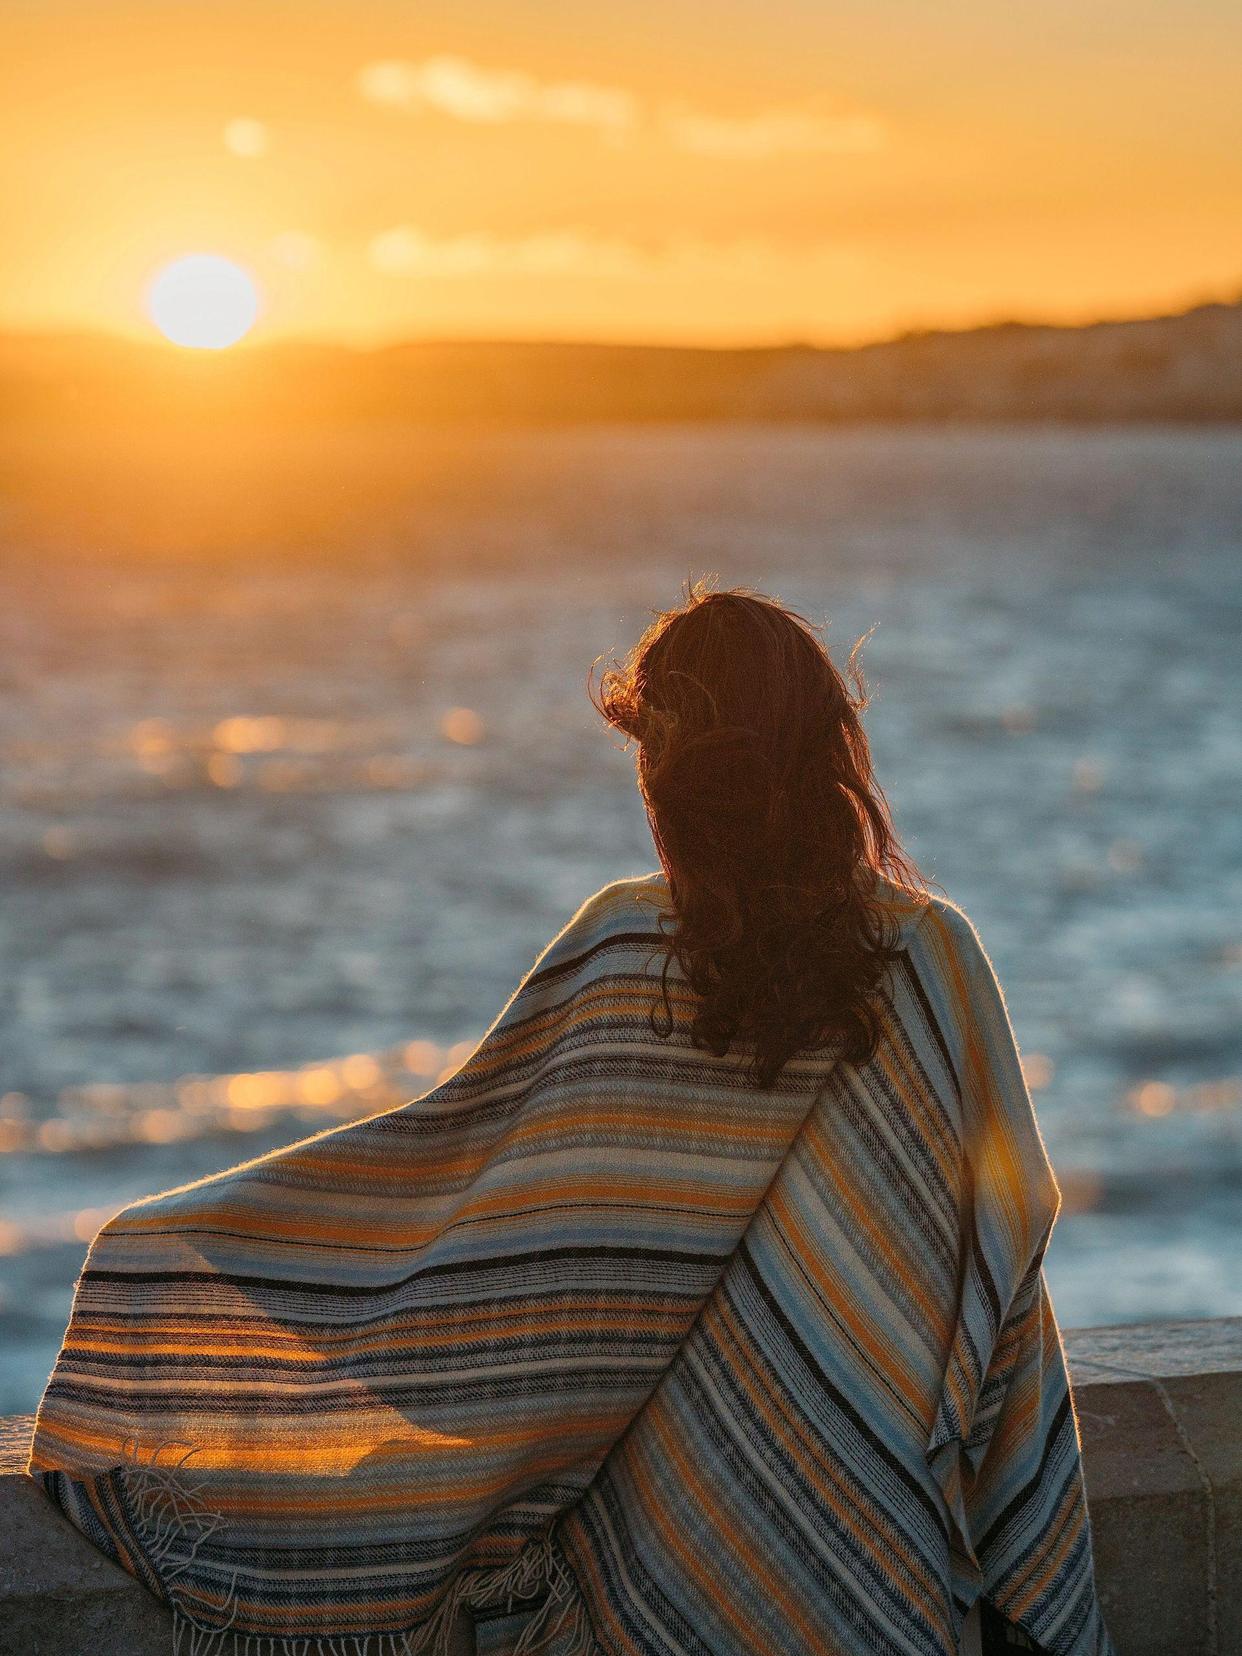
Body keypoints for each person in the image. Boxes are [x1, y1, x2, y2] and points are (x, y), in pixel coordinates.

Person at [29, 584, 1114, 1656]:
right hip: (884, 1557)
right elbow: (1003, 1271)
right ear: (831, 755)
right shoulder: (933, 964)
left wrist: (177, 1258)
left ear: (672, 780)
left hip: (656, 1577)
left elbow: (460, 1212)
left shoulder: (622, 952)